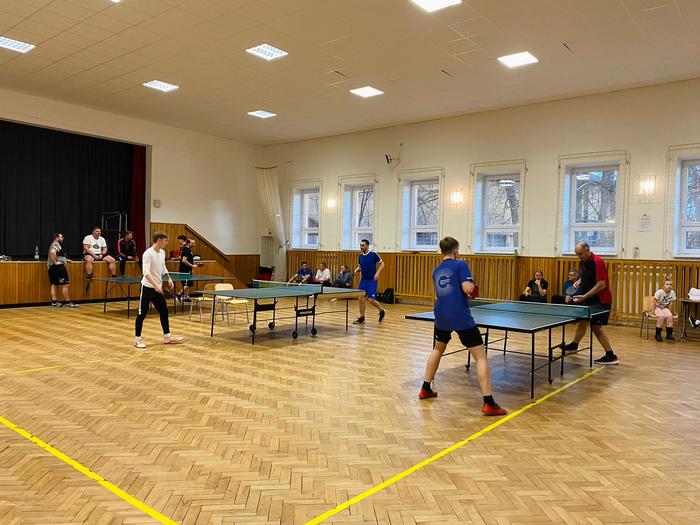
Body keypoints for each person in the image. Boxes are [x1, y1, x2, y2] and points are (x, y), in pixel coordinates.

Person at [419, 236, 507, 416]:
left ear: (441, 251)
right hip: (459, 315)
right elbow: (467, 289)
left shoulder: (436, 270)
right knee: (480, 357)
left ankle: (425, 388)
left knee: (438, 348)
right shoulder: (461, 264)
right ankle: (489, 403)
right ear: (456, 251)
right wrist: (472, 287)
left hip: (441, 314)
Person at [560, 242, 619, 365]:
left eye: (581, 254)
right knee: (583, 321)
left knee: (596, 328)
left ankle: (611, 356)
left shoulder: (597, 262)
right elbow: (588, 276)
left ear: (587, 250)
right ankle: (574, 345)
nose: (579, 257)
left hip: (601, 300)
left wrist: (585, 296)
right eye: (577, 254)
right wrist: (579, 282)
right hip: (590, 299)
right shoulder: (583, 262)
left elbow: (601, 284)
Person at [134, 231, 183, 349]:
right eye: (165, 241)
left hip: (158, 288)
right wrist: (155, 285)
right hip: (147, 288)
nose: (167, 243)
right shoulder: (148, 253)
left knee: (164, 311)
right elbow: (145, 272)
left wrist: (168, 278)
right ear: (159, 240)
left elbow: (163, 268)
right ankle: (137, 339)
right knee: (142, 313)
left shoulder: (162, 253)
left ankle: (167, 337)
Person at [353, 239, 386, 324]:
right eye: (360, 245)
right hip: (363, 280)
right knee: (361, 299)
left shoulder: (373, 254)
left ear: (367, 246)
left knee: (371, 299)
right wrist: (356, 270)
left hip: (372, 280)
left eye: (363, 245)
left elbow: (382, 264)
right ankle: (362, 317)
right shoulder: (360, 256)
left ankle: (381, 310)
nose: (361, 247)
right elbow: (360, 267)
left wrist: (377, 273)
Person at [47, 233, 78, 308]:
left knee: (54, 284)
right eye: (61, 237)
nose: (62, 238)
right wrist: (55, 262)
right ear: (56, 238)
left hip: (51, 267)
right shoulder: (56, 244)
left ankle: (54, 302)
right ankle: (68, 302)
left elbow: (57, 255)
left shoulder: (53, 244)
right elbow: (52, 252)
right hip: (58, 268)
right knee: (65, 284)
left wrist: (66, 260)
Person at [177, 238, 198, 302]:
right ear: (188, 243)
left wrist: (191, 269)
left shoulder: (187, 249)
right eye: (192, 243)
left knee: (186, 284)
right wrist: (192, 266)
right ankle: (179, 294)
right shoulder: (187, 250)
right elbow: (184, 260)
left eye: (194, 243)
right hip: (185, 271)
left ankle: (186, 297)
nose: (194, 244)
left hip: (187, 270)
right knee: (188, 284)